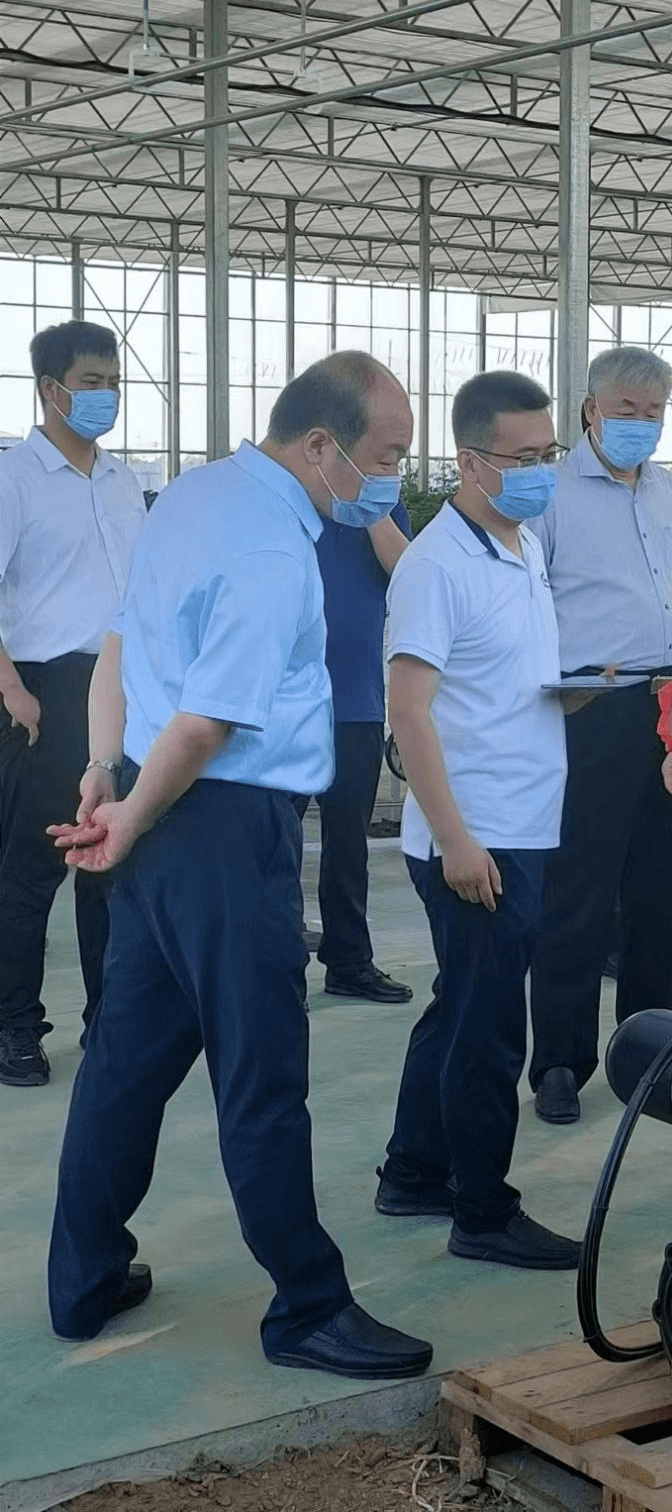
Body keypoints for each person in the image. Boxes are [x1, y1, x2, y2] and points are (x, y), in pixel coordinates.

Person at [46, 353, 434, 1380]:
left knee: (127, 1060)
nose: (393, 477)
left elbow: (121, 646)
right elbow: (211, 719)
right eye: (386, 456)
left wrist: (103, 772)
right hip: (217, 824)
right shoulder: (269, 549)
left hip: (156, 810)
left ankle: (81, 1280)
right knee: (263, 1071)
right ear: (321, 445)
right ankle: (308, 1307)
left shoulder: (193, 495)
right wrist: (129, 810)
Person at [374, 371, 579, 1271]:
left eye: (549, 455)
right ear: (468, 459)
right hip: (479, 834)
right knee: (491, 1030)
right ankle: (482, 1212)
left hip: (522, 814)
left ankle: (414, 1171)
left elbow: (487, 686)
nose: (539, 472)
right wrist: (455, 837)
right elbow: (408, 712)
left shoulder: (521, 542)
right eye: (522, 458)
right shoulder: (436, 565)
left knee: (459, 1007)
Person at [527, 347, 672, 1126]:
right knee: (579, 892)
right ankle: (560, 1060)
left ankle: (650, 1045)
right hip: (590, 704)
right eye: (625, 409)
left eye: (653, 412)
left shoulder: (667, 491)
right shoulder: (553, 493)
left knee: (655, 890)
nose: (641, 424)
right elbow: (529, 599)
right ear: (589, 410)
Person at [0, 321, 146, 1088]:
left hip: (118, 689)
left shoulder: (123, 479)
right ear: (49, 389)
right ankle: (15, 1026)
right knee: (31, 872)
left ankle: (109, 1017)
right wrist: (13, 690)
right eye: (91, 381)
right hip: (46, 692)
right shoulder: (14, 478)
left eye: (112, 379)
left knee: (109, 865)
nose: (106, 394)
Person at [298, 495, 414, 1004]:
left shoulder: (382, 509)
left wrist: (373, 510)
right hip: (287, 707)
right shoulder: (286, 499)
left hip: (356, 704)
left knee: (348, 845)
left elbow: (409, 577)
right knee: (275, 842)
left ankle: (348, 960)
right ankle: (275, 961)